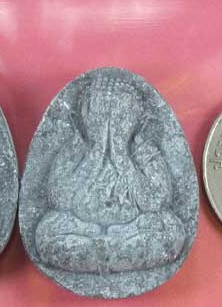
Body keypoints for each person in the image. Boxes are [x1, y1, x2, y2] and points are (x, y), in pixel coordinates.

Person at [35, 73, 185, 275]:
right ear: (79, 120)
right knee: (46, 230)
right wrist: (95, 150)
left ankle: (103, 255)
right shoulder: (75, 148)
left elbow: (156, 201)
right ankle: (115, 256)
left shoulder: (143, 150)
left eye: (120, 117)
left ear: (141, 123)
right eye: (99, 116)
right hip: (81, 228)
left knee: (171, 229)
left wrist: (121, 154)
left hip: (131, 230)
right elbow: (59, 199)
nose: (109, 124)